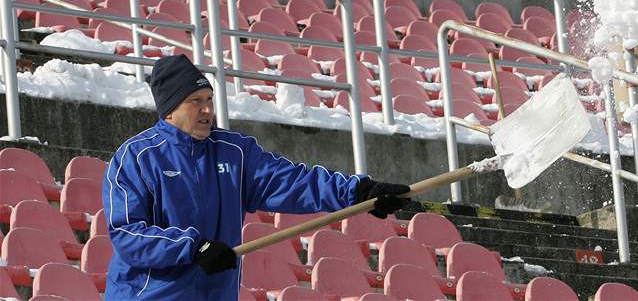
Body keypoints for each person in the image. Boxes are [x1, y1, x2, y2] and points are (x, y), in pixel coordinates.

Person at [102, 54, 410, 300]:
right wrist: (193, 247)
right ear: (169, 109)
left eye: (209, 99)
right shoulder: (136, 158)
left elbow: (294, 182)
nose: (207, 109)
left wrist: (359, 192)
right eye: (195, 101)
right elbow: (128, 234)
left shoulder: (234, 152)